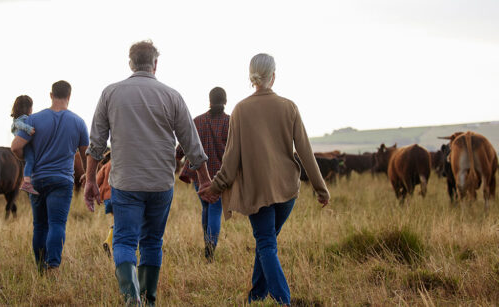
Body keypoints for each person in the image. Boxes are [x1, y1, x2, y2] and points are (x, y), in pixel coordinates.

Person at [84, 40, 211, 306]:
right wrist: (205, 179)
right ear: (155, 64)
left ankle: (132, 298)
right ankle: (148, 300)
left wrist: (90, 182)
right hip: (160, 183)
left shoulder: (110, 93)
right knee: (152, 241)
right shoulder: (172, 96)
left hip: (125, 182)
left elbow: (96, 144)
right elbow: (192, 143)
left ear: (130, 63)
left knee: (124, 240)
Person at [199, 53, 330, 306]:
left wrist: (214, 187)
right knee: (266, 241)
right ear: (274, 75)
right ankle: (256, 295)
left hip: (256, 192)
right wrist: (320, 189)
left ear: (252, 76)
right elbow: (305, 151)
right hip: (287, 190)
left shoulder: (241, 110)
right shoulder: (289, 106)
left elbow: (231, 160)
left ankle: (283, 300)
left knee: (266, 243)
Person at [10, 80, 89, 275]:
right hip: (62, 181)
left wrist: (26, 159)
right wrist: (88, 174)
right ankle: (53, 266)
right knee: (57, 224)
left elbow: (15, 147)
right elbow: (86, 153)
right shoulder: (78, 122)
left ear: (51, 95)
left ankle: (40, 268)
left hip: (37, 179)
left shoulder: (33, 120)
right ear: (69, 97)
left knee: (39, 225)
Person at [175, 87, 230, 262]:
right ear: (225, 101)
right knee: (215, 210)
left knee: (206, 208)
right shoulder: (230, 122)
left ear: (209, 100)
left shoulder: (196, 122)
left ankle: (208, 247)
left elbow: (179, 150)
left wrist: (178, 159)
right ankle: (210, 251)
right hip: (221, 176)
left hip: (199, 175)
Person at [10, 95, 39, 194]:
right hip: (25, 144)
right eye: (31, 107)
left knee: (30, 161)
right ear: (27, 108)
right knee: (30, 160)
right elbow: (19, 125)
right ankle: (26, 183)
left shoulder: (18, 119)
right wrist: (28, 129)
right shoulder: (21, 119)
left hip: (25, 143)